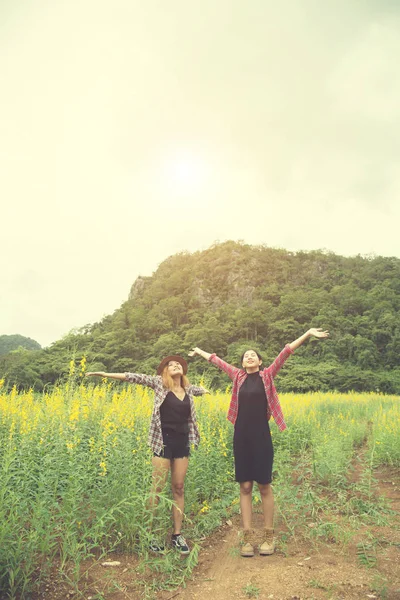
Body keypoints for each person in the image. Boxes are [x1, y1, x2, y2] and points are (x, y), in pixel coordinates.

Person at [189, 327, 329, 557]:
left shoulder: (267, 375)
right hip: (241, 436)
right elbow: (217, 361)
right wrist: (200, 351)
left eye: (253, 354)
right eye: (246, 356)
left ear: (260, 361)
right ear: (243, 363)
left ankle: (268, 536)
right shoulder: (237, 376)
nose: (249, 356)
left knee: (264, 485)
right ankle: (247, 538)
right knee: (244, 486)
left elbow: (285, 351)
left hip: (262, 435)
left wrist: (307, 333)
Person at [86, 355, 208, 555]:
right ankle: (150, 534)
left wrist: (204, 390)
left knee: (178, 488)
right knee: (157, 489)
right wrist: (104, 374)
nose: (175, 365)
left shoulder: (188, 389)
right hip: (162, 442)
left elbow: (199, 390)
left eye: (178, 364)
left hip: (182, 444)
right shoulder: (159, 384)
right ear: (164, 372)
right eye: (170, 365)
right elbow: (132, 376)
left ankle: (177, 535)